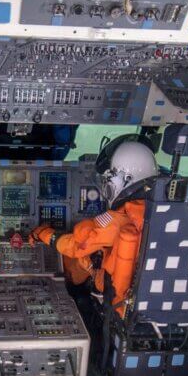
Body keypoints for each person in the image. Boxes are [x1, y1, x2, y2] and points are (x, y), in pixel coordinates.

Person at [30, 135, 160, 319]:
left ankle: (73, 293)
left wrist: (43, 233)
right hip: (150, 299)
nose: (107, 184)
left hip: (118, 295)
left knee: (80, 257)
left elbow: (78, 244)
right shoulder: (165, 211)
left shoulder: (119, 219)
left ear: (124, 179)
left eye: (109, 179)